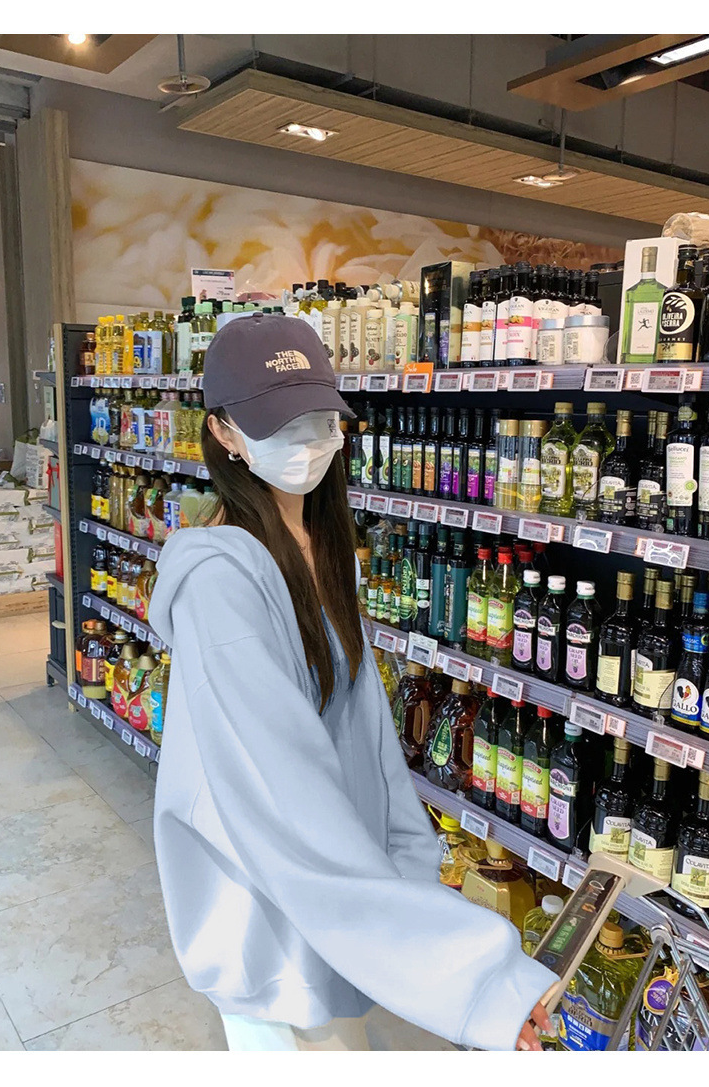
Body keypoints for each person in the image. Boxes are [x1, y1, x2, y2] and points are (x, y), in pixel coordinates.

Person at [148, 313, 558, 1052]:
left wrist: (410, 869)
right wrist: (476, 977)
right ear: (224, 434)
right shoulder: (220, 584)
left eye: (317, 418)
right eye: (278, 422)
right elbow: (285, 797)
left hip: (338, 917)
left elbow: (366, 734)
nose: (306, 441)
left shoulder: (321, 548)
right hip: (274, 928)